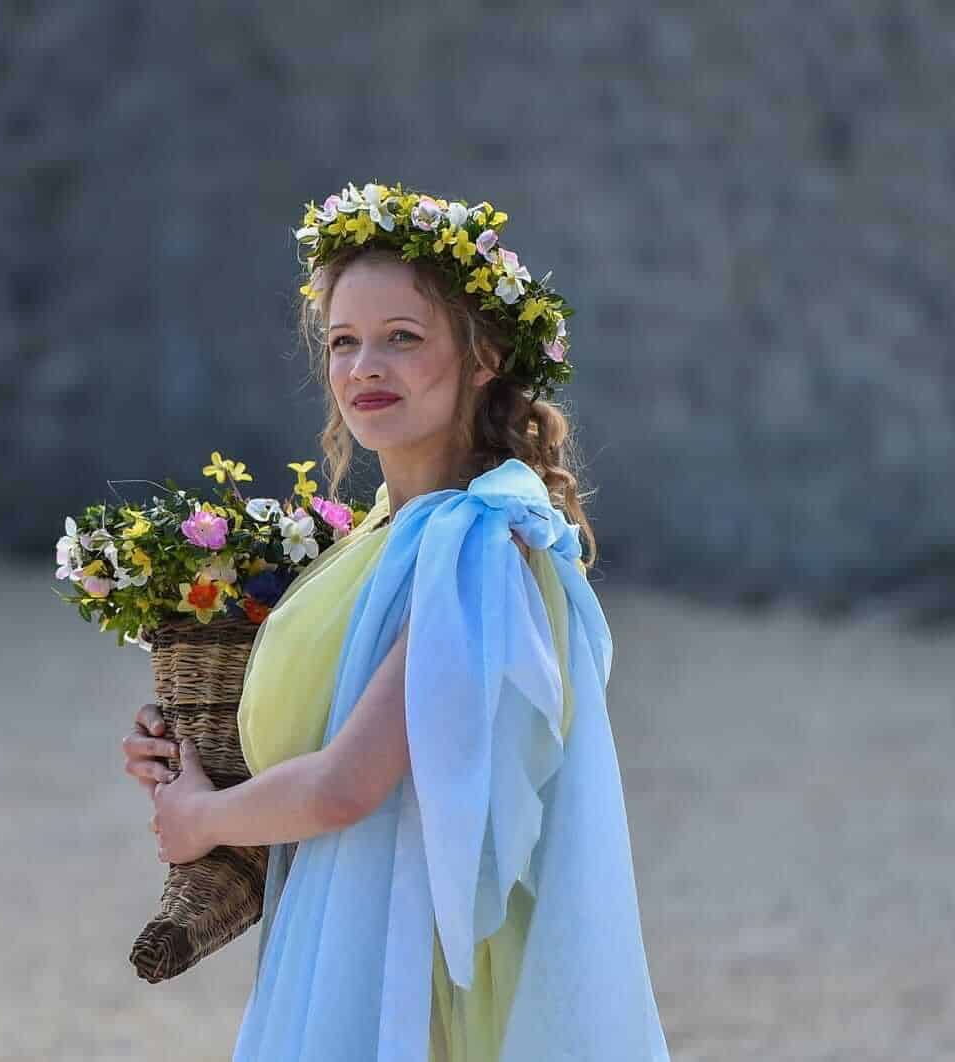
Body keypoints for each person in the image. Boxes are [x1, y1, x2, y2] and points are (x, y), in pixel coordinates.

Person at [121, 181, 670, 1060]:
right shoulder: (381, 533)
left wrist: (204, 824)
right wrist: (198, 755)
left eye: (402, 339)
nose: (363, 368)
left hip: (414, 975)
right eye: (344, 342)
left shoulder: (475, 541)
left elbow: (348, 784)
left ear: (483, 355)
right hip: (349, 928)